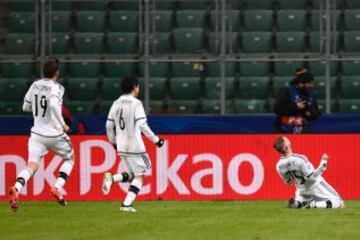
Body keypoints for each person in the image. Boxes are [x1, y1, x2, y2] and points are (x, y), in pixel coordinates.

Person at [8, 58, 75, 212]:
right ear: (57, 73)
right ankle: (57, 187)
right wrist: (63, 124)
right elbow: (52, 104)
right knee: (70, 158)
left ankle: (16, 188)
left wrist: (39, 111)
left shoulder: (35, 85)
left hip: (37, 134)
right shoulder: (57, 87)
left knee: (31, 166)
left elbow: (25, 106)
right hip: (54, 133)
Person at [102, 76, 164, 212]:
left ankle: (112, 178)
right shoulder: (136, 104)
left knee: (132, 174)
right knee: (140, 175)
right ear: (135, 87)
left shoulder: (116, 103)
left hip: (121, 145)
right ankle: (126, 205)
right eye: (138, 86)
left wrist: (113, 142)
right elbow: (142, 125)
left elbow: (108, 125)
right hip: (134, 145)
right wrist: (156, 140)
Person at [273, 136, 344, 209]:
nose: (288, 139)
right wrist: (323, 164)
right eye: (286, 139)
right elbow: (312, 178)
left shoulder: (278, 165)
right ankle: (313, 205)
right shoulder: (299, 159)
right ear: (286, 145)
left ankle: (297, 203)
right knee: (339, 202)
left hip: (301, 190)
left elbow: (289, 183)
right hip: (315, 187)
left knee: (301, 200)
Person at [273, 68, 320, 133]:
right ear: (301, 83)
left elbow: (317, 112)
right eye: (309, 83)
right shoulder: (287, 91)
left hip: (303, 131)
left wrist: (311, 113)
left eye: (312, 83)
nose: (311, 85)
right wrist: (296, 107)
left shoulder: (312, 94)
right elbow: (277, 109)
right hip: (284, 130)